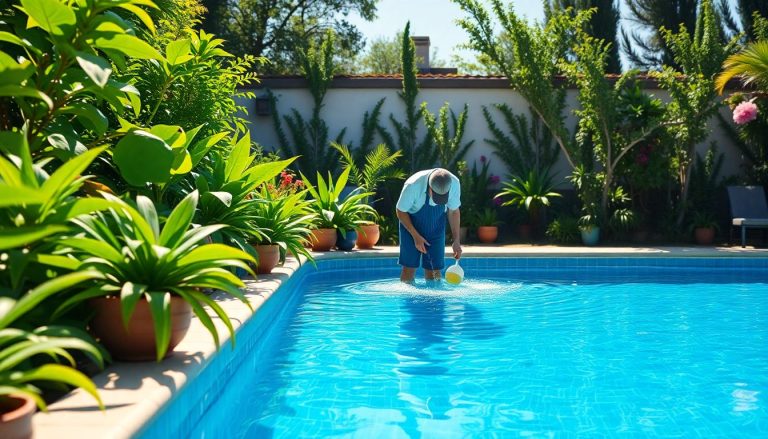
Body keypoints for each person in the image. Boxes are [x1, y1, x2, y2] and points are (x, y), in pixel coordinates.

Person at [395, 168, 462, 282]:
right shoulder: (413, 185)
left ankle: (436, 299)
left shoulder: (454, 183)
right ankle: (408, 299)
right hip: (410, 225)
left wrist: (456, 240)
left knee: (434, 271)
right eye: (437, 197)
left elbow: (454, 211)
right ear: (430, 189)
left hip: (436, 227)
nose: (439, 201)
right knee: (409, 269)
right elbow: (400, 211)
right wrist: (415, 236)